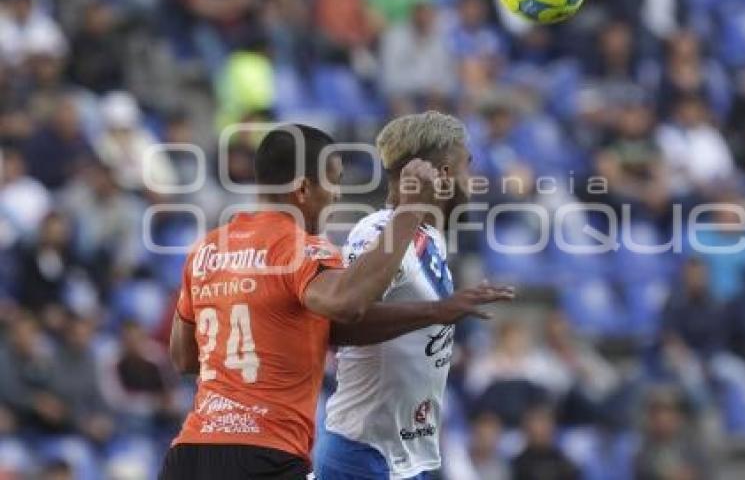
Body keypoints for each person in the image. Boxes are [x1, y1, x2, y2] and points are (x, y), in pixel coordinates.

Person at [160, 123, 511, 479]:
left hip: (190, 452)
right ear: (302, 189)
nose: (337, 196)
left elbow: (184, 357)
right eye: (333, 182)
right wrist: (410, 211)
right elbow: (349, 304)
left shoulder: (206, 249)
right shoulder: (303, 249)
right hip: (267, 452)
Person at [315, 112, 514, 479]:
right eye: (464, 166)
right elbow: (340, 325)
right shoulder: (377, 231)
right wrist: (438, 311)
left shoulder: (431, 238)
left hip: (405, 454)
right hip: (364, 451)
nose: (472, 181)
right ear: (439, 173)